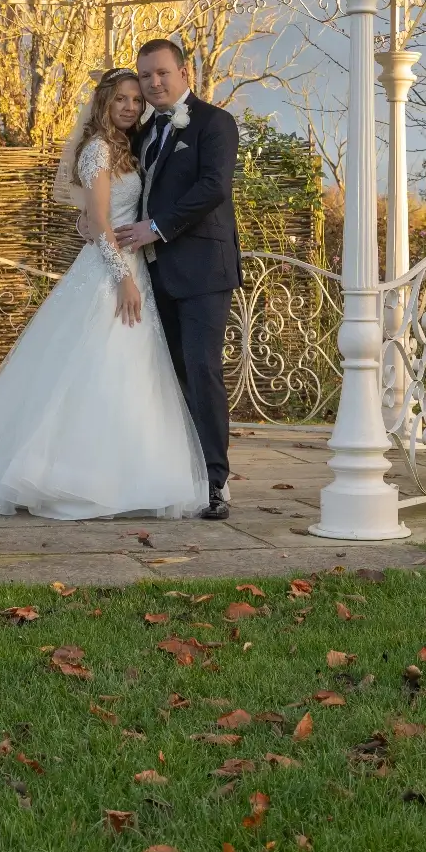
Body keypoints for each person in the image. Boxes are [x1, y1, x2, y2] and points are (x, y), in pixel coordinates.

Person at [0, 68, 208, 520]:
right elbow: (103, 222)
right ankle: (68, 474)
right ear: (103, 104)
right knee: (97, 364)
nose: (129, 107)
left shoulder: (129, 147)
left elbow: (97, 216)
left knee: (129, 369)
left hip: (131, 267)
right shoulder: (97, 150)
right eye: (120, 99)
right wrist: (123, 277)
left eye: (134, 99)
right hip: (112, 273)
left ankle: (124, 472)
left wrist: (98, 234)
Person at [114, 38, 241, 522]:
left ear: (184, 72)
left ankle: (215, 483)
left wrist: (156, 227)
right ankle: (174, 475)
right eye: (145, 76)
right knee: (169, 377)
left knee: (202, 370)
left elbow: (214, 187)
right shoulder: (143, 131)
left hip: (205, 269)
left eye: (162, 73)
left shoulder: (214, 122)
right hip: (153, 273)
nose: (154, 83)